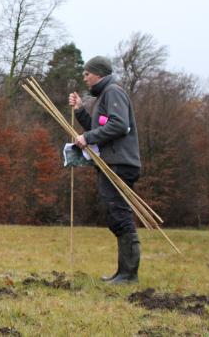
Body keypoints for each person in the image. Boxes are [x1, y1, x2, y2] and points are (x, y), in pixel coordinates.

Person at [68, 56, 141, 284]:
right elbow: (101, 127)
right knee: (114, 214)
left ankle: (129, 275)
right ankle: (122, 273)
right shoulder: (103, 96)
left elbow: (119, 125)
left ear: (98, 74)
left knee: (119, 215)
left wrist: (86, 137)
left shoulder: (112, 92)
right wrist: (80, 111)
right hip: (111, 162)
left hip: (120, 164)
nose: (84, 77)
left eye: (87, 73)